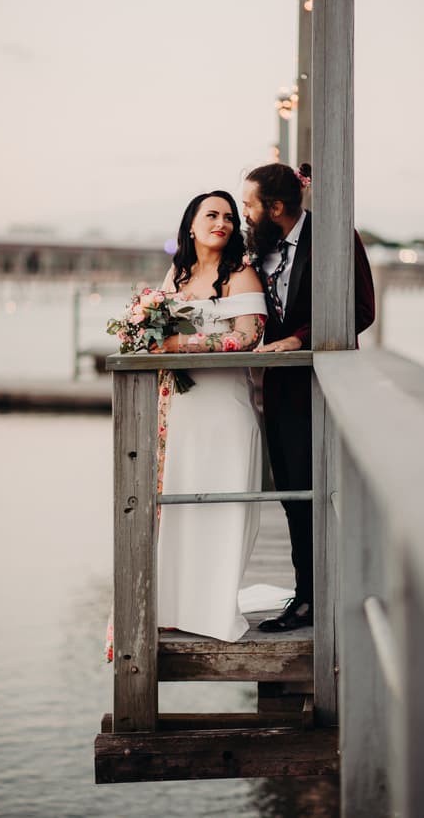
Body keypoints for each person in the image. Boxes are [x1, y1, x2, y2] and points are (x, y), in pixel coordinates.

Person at [242, 162, 375, 632]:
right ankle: (308, 597)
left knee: (329, 493)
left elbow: (361, 311)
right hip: (278, 393)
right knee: (293, 496)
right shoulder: (257, 247)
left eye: (249, 204)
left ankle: (346, 594)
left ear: (275, 207)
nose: (244, 212)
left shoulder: (336, 235)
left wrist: (300, 339)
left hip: (326, 387)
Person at [153, 190, 268, 642]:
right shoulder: (176, 273)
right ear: (191, 224)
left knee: (222, 504)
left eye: (229, 216)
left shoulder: (241, 275)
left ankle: (215, 609)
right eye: (212, 214)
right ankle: (174, 605)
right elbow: (154, 329)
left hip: (223, 408)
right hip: (181, 409)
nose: (222, 222)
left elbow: (249, 336)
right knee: (179, 503)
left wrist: (183, 346)